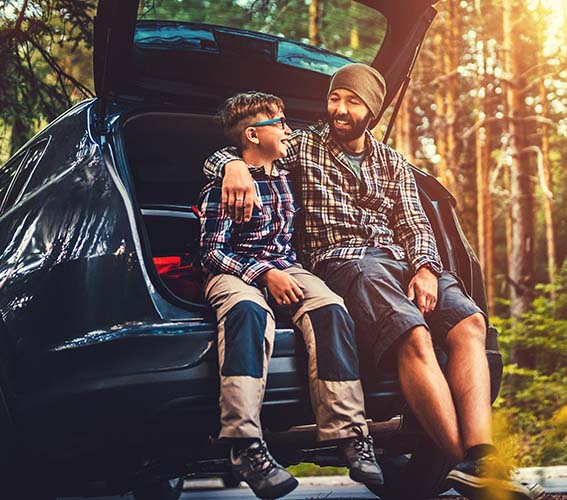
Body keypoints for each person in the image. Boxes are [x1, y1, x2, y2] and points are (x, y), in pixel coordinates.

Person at [204, 65, 542, 500]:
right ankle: (474, 472)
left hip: (402, 263)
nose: (339, 110)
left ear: (372, 110)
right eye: (335, 99)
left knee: (471, 326)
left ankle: (480, 458)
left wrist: (425, 269)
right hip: (346, 263)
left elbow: (417, 225)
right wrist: (230, 165)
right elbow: (245, 145)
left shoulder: (392, 162)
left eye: (352, 101)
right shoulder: (304, 145)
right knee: (414, 334)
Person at [199, 91, 382, 499]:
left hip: (288, 266)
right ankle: (244, 443)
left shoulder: (284, 169)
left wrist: (281, 273)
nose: (288, 130)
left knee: (332, 307)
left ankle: (349, 433)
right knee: (248, 311)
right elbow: (212, 252)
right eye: (279, 124)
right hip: (233, 271)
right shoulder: (223, 186)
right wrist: (264, 275)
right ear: (252, 134)